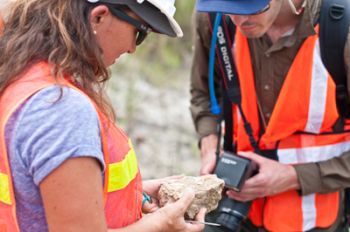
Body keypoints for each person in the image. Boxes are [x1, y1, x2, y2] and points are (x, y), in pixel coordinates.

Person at [0, 0, 206, 231]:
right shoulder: (61, 108)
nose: (132, 48)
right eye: (139, 32)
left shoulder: (23, 78)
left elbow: (37, 195)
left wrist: (132, 193)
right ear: (98, 17)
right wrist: (161, 224)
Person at [190, 0, 350, 231]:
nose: (238, 20)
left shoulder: (341, 31)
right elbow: (204, 94)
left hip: (313, 219)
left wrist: (296, 176)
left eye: (251, 8)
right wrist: (209, 143)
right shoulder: (214, 17)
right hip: (233, 209)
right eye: (229, 8)